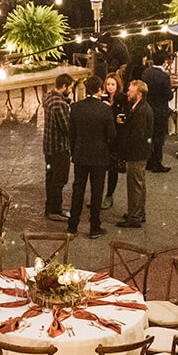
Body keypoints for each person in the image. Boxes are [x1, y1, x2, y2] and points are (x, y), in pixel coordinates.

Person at [68, 75, 116, 238]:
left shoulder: (76, 107)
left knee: (78, 189)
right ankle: (94, 226)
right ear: (100, 89)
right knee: (97, 191)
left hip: (81, 154)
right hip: (99, 156)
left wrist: (74, 151)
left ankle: (72, 225)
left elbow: (71, 133)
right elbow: (111, 134)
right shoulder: (105, 109)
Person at [115, 79, 154, 228]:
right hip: (140, 152)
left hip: (136, 153)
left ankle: (134, 217)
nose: (128, 93)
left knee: (135, 185)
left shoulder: (142, 111)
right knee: (139, 184)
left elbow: (137, 135)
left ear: (138, 94)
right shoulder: (140, 107)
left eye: (130, 91)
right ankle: (138, 212)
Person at [42, 73, 74, 222]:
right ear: (64, 87)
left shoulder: (48, 97)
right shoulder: (60, 105)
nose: (71, 91)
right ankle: (56, 210)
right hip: (59, 148)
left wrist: (68, 101)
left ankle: (49, 207)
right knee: (59, 180)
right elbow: (67, 128)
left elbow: (60, 100)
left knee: (50, 178)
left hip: (48, 147)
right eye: (70, 88)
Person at [142, 51, 174, 172]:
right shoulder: (164, 77)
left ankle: (148, 160)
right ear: (165, 61)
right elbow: (169, 96)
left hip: (148, 108)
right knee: (159, 138)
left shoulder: (146, 73)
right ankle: (157, 163)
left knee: (149, 136)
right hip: (160, 111)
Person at [102, 74, 127, 209]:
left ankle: (109, 195)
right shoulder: (102, 98)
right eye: (108, 84)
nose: (110, 87)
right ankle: (98, 195)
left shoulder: (122, 99)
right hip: (103, 138)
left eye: (113, 84)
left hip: (116, 138)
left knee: (113, 169)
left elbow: (126, 116)